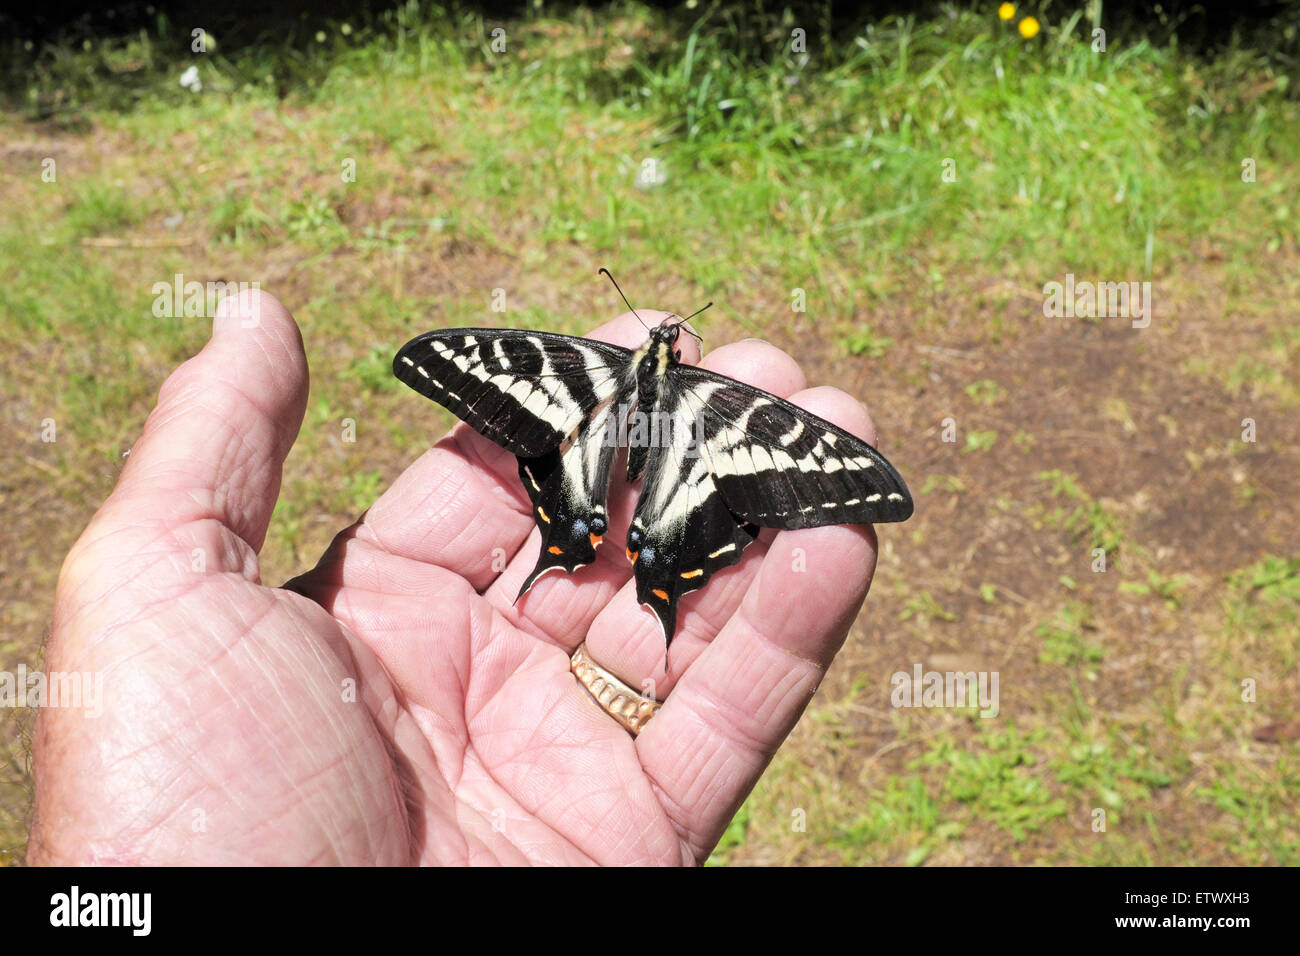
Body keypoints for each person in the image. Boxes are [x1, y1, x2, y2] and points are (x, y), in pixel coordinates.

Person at [29, 289, 884, 865]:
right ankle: (637, 557)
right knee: (655, 525)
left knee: (620, 507)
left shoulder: (581, 369)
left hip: (609, 463)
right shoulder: (708, 401)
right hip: (667, 476)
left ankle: (603, 543)